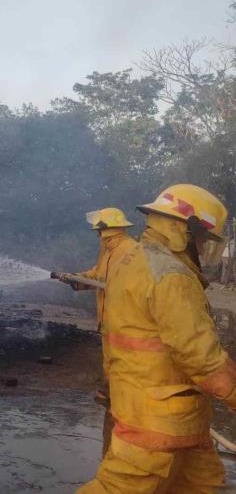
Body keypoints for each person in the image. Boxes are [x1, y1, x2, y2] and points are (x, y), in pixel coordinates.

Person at [78, 184, 236, 493]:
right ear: (183, 229)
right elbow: (203, 359)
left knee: (201, 484)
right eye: (204, 239)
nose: (206, 248)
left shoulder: (131, 258)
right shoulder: (171, 275)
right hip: (159, 420)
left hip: (161, 409)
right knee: (119, 487)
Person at [54, 207, 137, 456]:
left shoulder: (131, 251)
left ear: (104, 229)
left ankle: (124, 410)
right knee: (111, 364)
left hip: (123, 321)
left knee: (124, 364)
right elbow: (97, 276)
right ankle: (112, 400)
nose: (98, 235)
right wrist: (74, 278)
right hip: (109, 321)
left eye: (99, 231)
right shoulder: (109, 251)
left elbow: (131, 286)